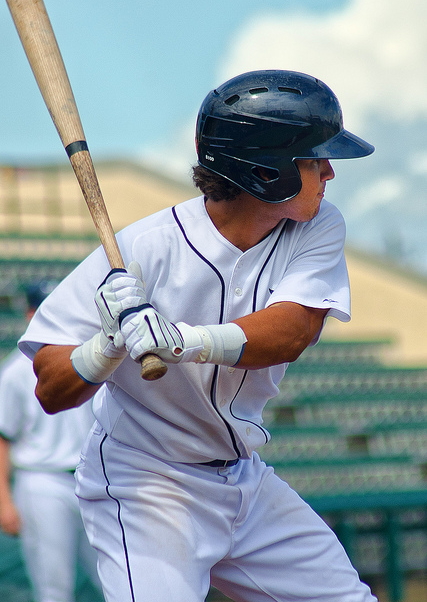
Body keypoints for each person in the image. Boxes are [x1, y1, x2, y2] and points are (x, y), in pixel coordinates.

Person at [19, 70, 378, 602]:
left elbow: (293, 329)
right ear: (266, 172)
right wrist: (107, 347)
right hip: (148, 486)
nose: (329, 171)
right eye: (312, 160)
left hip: (244, 479)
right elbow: (50, 388)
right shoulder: (145, 247)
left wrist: (183, 341)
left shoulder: (317, 225)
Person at [0, 281, 103, 602]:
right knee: (54, 589)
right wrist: (3, 500)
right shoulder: (16, 370)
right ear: (31, 314)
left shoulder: (91, 358)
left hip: (93, 481)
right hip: (43, 482)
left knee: (115, 584)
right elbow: (3, 437)